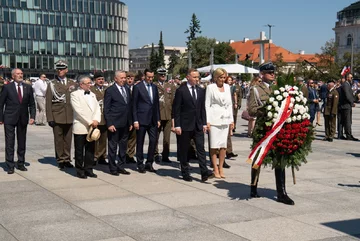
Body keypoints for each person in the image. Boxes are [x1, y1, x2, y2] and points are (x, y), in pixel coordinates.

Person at [248, 62, 294, 205]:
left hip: (278, 130)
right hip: (263, 129)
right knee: (258, 159)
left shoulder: (279, 89)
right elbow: (251, 110)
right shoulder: (255, 89)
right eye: (269, 73)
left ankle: (282, 193)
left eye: (273, 72)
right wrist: (268, 110)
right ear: (262, 74)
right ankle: (253, 186)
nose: (272, 75)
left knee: (280, 160)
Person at [173, 68, 214, 182]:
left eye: (198, 77)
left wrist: (204, 123)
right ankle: (185, 172)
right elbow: (176, 109)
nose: (197, 79)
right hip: (185, 125)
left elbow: (202, 109)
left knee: (200, 148)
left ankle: (204, 172)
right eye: (195, 77)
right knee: (184, 149)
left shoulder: (201, 90)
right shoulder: (181, 91)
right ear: (188, 77)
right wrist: (177, 125)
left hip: (198, 125)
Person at [0, 68, 36, 174]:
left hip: (23, 118)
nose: (20, 75)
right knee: (10, 142)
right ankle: (10, 165)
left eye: (21, 73)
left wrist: (32, 116)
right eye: (18, 74)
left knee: (22, 142)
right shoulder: (7, 87)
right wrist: (1, 118)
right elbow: (1, 104)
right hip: (9, 118)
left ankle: (21, 163)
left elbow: (32, 104)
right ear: (13, 76)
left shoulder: (28, 87)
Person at [46, 60, 77, 169]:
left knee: (68, 139)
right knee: (58, 139)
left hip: (69, 115)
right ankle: (60, 159)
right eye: (58, 69)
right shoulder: (52, 84)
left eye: (62, 68)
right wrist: (50, 118)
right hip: (57, 115)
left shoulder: (72, 83)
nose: (60, 71)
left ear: (66, 70)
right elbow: (48, 102)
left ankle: (67, 159)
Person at [70, 76, 101, 178]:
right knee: (79, 149)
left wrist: (96, 120)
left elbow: (97, 108)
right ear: (81, 84)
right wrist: (90, 122)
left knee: (90, 149)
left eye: (90, 83)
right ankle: (79, 169)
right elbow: (78, 111)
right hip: (81, 125)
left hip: (92, 126)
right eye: (87, 83)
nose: (90, 85)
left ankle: (89, 168)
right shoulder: (74, 94)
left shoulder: (92, 95)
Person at [205, 68, 234, 179]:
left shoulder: (227, 87)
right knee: (214, 145)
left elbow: (230, 104)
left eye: (224, 77)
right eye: (220, 77)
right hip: (214, 119)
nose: (222, 80)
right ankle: (215, 168)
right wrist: (207, 121)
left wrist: (231, 120)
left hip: (225, 119)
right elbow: (207, 105)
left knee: (223, 145)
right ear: (216, 78)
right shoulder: (210, 88)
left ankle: (221, 167)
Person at [104, 71, 133, 176]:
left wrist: (130, 122)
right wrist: (110, 124)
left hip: (125, 123)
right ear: (115, 79)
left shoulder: (127, 89)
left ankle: (121, 166)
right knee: (113, 147)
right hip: (114, 124)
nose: (124, 80)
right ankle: (112, 168)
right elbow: (106, 109)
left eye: (125, 78)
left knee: (123, 147)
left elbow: (129, 107)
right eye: (121, 78)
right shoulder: (110, 91)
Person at [132, 69, 160, 173]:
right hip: (141, 119)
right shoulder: (137, 87)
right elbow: (134, 105)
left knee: (153, 140)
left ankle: (149, 162)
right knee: (140, 141)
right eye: (148, 77)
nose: (150, 79)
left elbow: (156, 104)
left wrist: (158, 118)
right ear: (144, 76)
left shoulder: (154, 87)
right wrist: (135, 120)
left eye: (152, 77)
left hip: (152, 119)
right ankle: (140, 163)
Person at [154, 67, 176, 163]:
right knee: (155, 137)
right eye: (161, 75)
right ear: (157, 75)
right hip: (158, 114)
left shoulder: (170, 86)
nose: (163, 76)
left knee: (167, 138)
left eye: (164, 74)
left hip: (168, 114)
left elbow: (173, 100)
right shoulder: (154, 85)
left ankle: (165, 155)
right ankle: (155, 154)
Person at [90, 72, 108, 165]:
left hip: (105, 118)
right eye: (99, 79)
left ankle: (102, 156)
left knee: (103, 139)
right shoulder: (91, 89)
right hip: (95, 118)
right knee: (94, 138)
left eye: (102, 79)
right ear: (95, 80)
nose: (101, 81)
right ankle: (94, 156)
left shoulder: (107, 89)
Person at [339, 73, 358, 141]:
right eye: (351, 77)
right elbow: (347, 95)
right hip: (346, 106)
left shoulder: (347, 84)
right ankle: (348, 135)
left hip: (347, 105)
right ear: (347, 78)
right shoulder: (346, 85)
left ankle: (346, 134)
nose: (352, 79)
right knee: (347, 121)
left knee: (347, 121)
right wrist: (352, 102)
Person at [125, 71, 137, 164]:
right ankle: (124, 153)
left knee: (133, 137)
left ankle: (131, 155)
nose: (129, 80)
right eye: (128, 78)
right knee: (124, 137)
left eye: (131, 78)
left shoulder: (136, 88)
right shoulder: (123, 88)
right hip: (125, 116)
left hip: (135, 116)